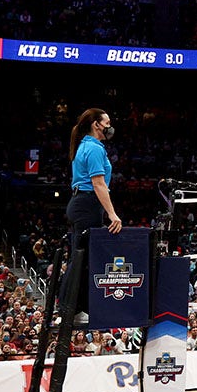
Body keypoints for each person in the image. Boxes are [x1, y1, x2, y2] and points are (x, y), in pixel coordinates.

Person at [66, 108, 123, 325]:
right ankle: (73, 309)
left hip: (84, 204)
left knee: (82, 259)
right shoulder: (93, 148)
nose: (110, 126)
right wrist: (112, 214)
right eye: (107, 123)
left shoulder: (87, 146)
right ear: (96, 125)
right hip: (87, 204)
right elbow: (98, 184)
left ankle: (75, 308)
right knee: (81, 261)